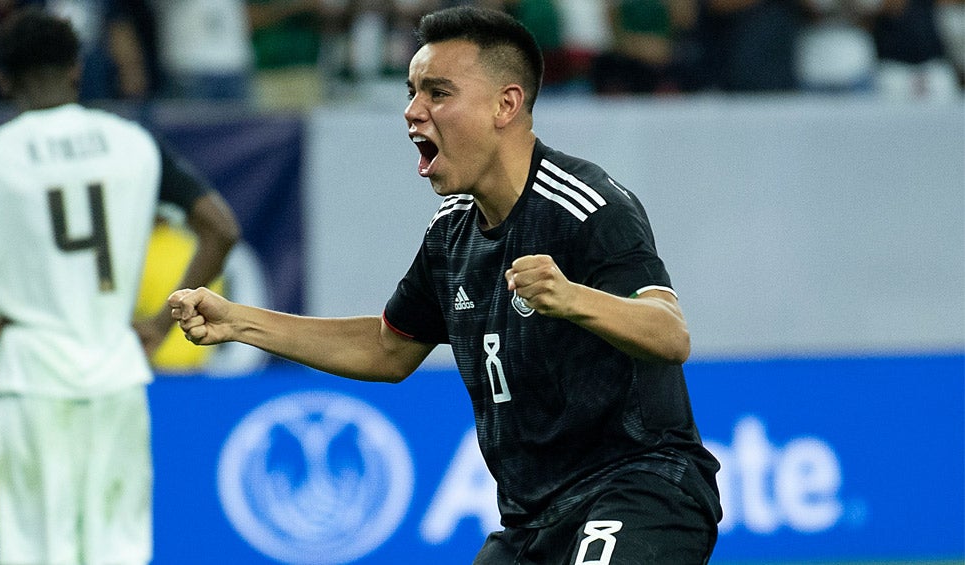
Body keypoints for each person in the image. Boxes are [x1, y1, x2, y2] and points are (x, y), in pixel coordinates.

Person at [169, 5, 721, 563]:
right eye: (412, 91)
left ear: (506, 104)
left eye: (437, 93)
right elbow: (388, 349)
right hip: (531, 518)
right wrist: (239, 321)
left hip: (640, 488)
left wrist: (570, 297)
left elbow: (670, 334)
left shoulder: (585, 207)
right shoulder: (451, 232)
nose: (412, 112)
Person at [0, 7, 240, 564]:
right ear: (75, 69)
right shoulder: (131, 143)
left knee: (37, 551)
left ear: (3, 80)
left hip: (29, 371)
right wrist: (162, 323)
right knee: (117, 547)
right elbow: (221, 230)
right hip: (115, 364)